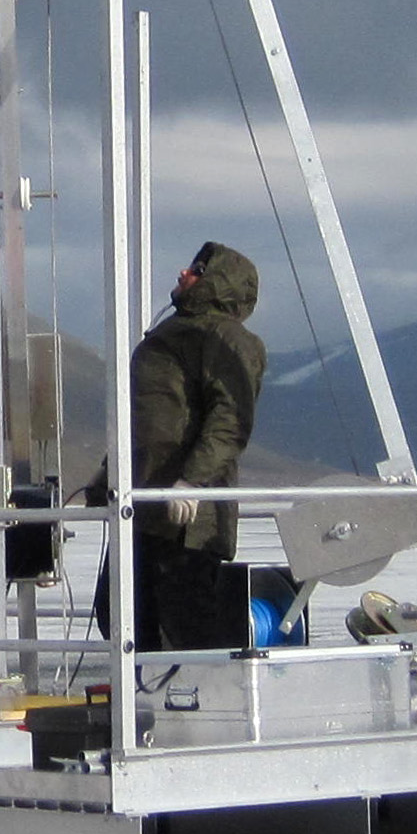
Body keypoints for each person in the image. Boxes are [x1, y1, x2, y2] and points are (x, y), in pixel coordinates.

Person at [121, 242, 267, 649]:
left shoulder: (227, 339)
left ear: (218, 283)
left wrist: (192, 481)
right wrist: (108, 476)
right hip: (144, 504)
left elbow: (231, 418)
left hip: (188, 519)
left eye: (197, 270)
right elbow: (149, 420)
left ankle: (191, 708)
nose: (183, 275)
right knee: (122, 614)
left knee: (183, 627)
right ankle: (142, 706)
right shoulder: (172, 336)